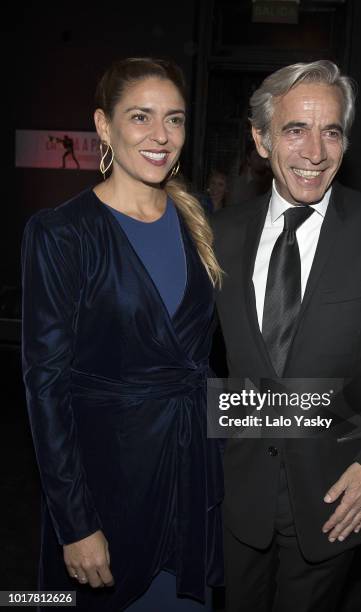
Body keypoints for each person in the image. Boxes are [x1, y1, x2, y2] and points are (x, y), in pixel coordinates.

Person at [211, 61, 361, 611]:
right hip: (236, 494)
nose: (315, 151)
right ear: (262, 139)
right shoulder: (219, 235)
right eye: (295, 130)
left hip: (335, 495)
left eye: (331, 131)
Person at [22, 57, 224, 611]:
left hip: (189, 481)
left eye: (175, 119)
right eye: (141, 117)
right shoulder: (63, 233)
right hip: (109, 491)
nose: (162, 136)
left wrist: (326, 412)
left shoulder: (199, 216)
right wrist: (75, 522)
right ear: (104, 126)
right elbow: (45, 389)